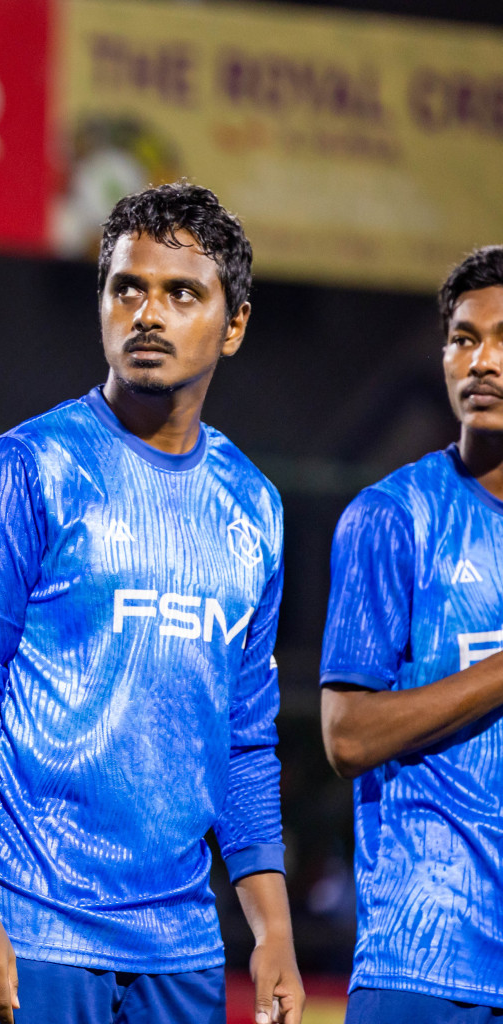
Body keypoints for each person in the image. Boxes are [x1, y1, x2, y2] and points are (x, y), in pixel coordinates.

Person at [0, 183, 303, 1024]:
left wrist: (270, 927)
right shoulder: (27, 468)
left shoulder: (255, 506)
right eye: (127, 288)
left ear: (233, 325)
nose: (148, 314)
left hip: (180, 949)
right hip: (25, 926)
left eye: (181, 293)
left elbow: (245, 735)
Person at [320, 245, 503, 1022]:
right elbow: (347, 736)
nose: (482, 361)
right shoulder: (393, 517)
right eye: (464, 338)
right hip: (426, 963)